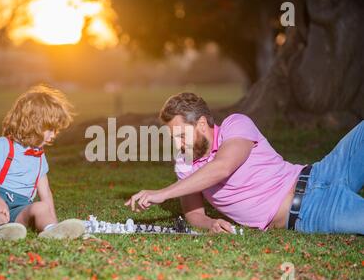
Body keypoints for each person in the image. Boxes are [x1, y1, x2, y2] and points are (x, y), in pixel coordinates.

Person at [126, 92, 364, 235]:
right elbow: (194, 214)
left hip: (323, 172)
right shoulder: (185, 164)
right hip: (309, 212)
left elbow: (223, 167)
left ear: (200, 125)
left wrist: (163, 194)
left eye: (180, 135)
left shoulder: (235, 124)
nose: (177, 144)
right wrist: (210, 223)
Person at [0, 84, 85, 240]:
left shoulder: (39, 157)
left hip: (20, 207)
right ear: (34, 123)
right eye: (50, 129)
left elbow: (46, 194)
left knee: (41, 207)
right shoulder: (2, 145)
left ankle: (52, 230)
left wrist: (54, 220)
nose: (54, 134)